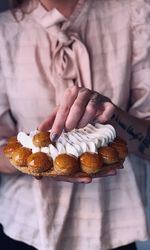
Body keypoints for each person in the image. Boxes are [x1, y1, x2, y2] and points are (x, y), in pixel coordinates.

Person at [0, 0, 150, 249]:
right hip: (26, 226)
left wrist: (111, 117)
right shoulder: (5, 31)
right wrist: (34, 161)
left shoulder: (135, 14)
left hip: (114, 226)